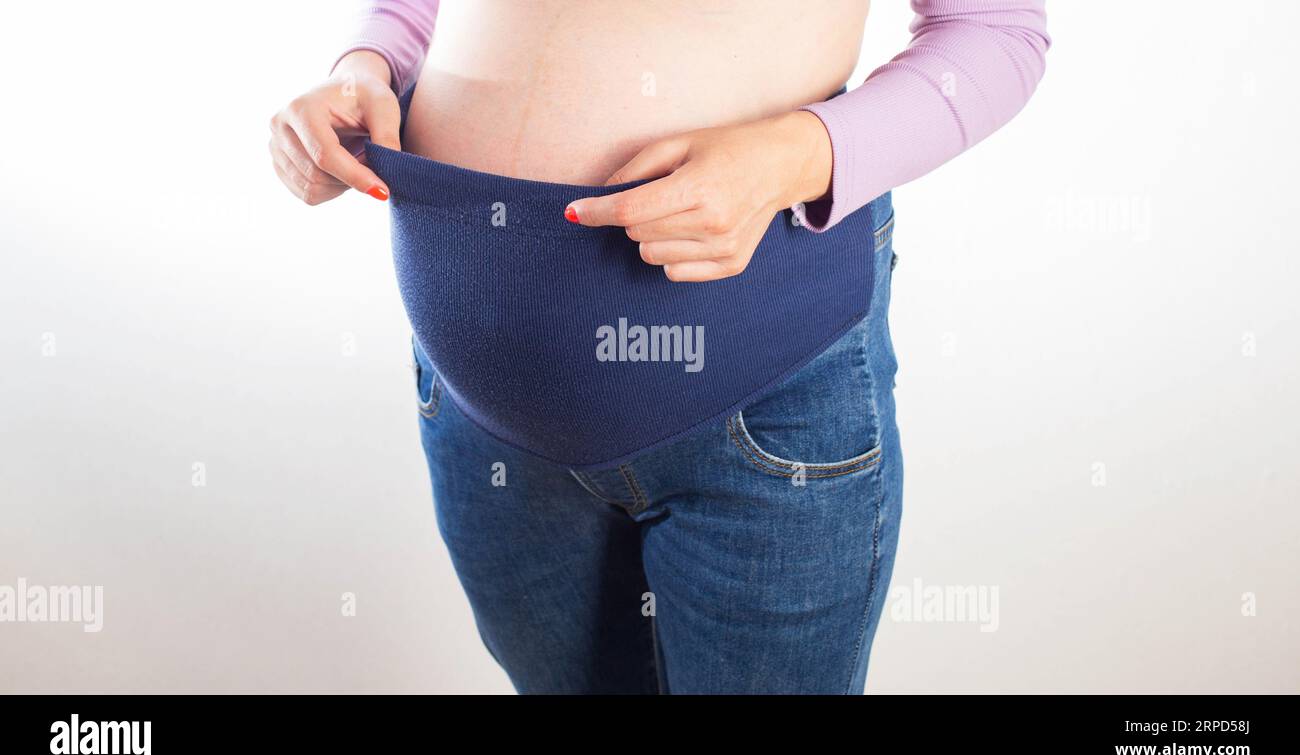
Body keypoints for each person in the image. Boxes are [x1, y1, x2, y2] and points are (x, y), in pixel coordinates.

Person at [269, 0, 1050, 694]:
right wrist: (365, 63)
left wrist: (797, 154)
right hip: (477, 408)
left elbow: (996, 31)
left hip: (759, 394)